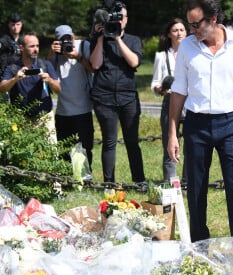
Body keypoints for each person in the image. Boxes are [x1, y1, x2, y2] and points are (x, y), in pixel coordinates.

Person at [167, 0, 233, 275]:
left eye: (197, 24)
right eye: (189, 25)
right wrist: (173, 132)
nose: (191, 30)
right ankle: (200, 254)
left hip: (232, 123)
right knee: (196, 193)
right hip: (196, 124)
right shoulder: (186, 47)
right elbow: (179, 90)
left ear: (213, 19)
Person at [89, 2, 146, 184]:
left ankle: (139, 181)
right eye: (115, 17)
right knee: (109, 141)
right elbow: (95, 65)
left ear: (126, 20)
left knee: (132, 141)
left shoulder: (133, 40)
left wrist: (118, 39)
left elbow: (134, 62)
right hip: (104, 98)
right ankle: (109, 183)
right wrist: (100, 38)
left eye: (121, 17)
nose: (118, 20)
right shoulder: (99, 39)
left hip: (128, 97)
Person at [46, 25, 94, 167]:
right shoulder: (55, 55)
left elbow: (93, 68)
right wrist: (51, 53)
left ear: (73, 36)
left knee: (86, 147)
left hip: (83, 108)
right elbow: (46, 69)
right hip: (63, 110)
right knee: (63, 149)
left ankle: (85, 177)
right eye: (63, 40)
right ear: (57, 41)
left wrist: (78, 57)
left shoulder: (83, 46)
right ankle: (66, 178)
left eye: (69, 38)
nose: (67, 42)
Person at [0, 31, 61, 142]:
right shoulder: (13, 67)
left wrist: (50, 80)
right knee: (25, 157)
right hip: (21, 119)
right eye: (32, 46)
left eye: (37, 46)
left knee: (51, 155)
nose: (36, 49)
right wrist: (15, 78)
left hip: (45, 118)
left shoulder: (45, 64)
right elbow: (2, 88)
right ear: (22, 47)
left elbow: (58, 90)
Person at [151, 18, 187, 183]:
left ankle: (188, 182)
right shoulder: (161, 56)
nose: (179, 33)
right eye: (175, 30)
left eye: (182, 29)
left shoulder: (192, 53)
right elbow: (155, 82)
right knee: (169, 143)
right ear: (169, 34)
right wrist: (160, 88)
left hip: (190, 103)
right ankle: (170, 182)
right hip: (170, 102)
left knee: (192, 146)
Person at [0, 13, 23, 80]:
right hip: (5, 75)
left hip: (20, 73)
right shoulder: (4, 40)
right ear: (9, 25)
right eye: (13, 25)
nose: (15, 27)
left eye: (18, 24)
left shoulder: (24, 40)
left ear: (21, 24)